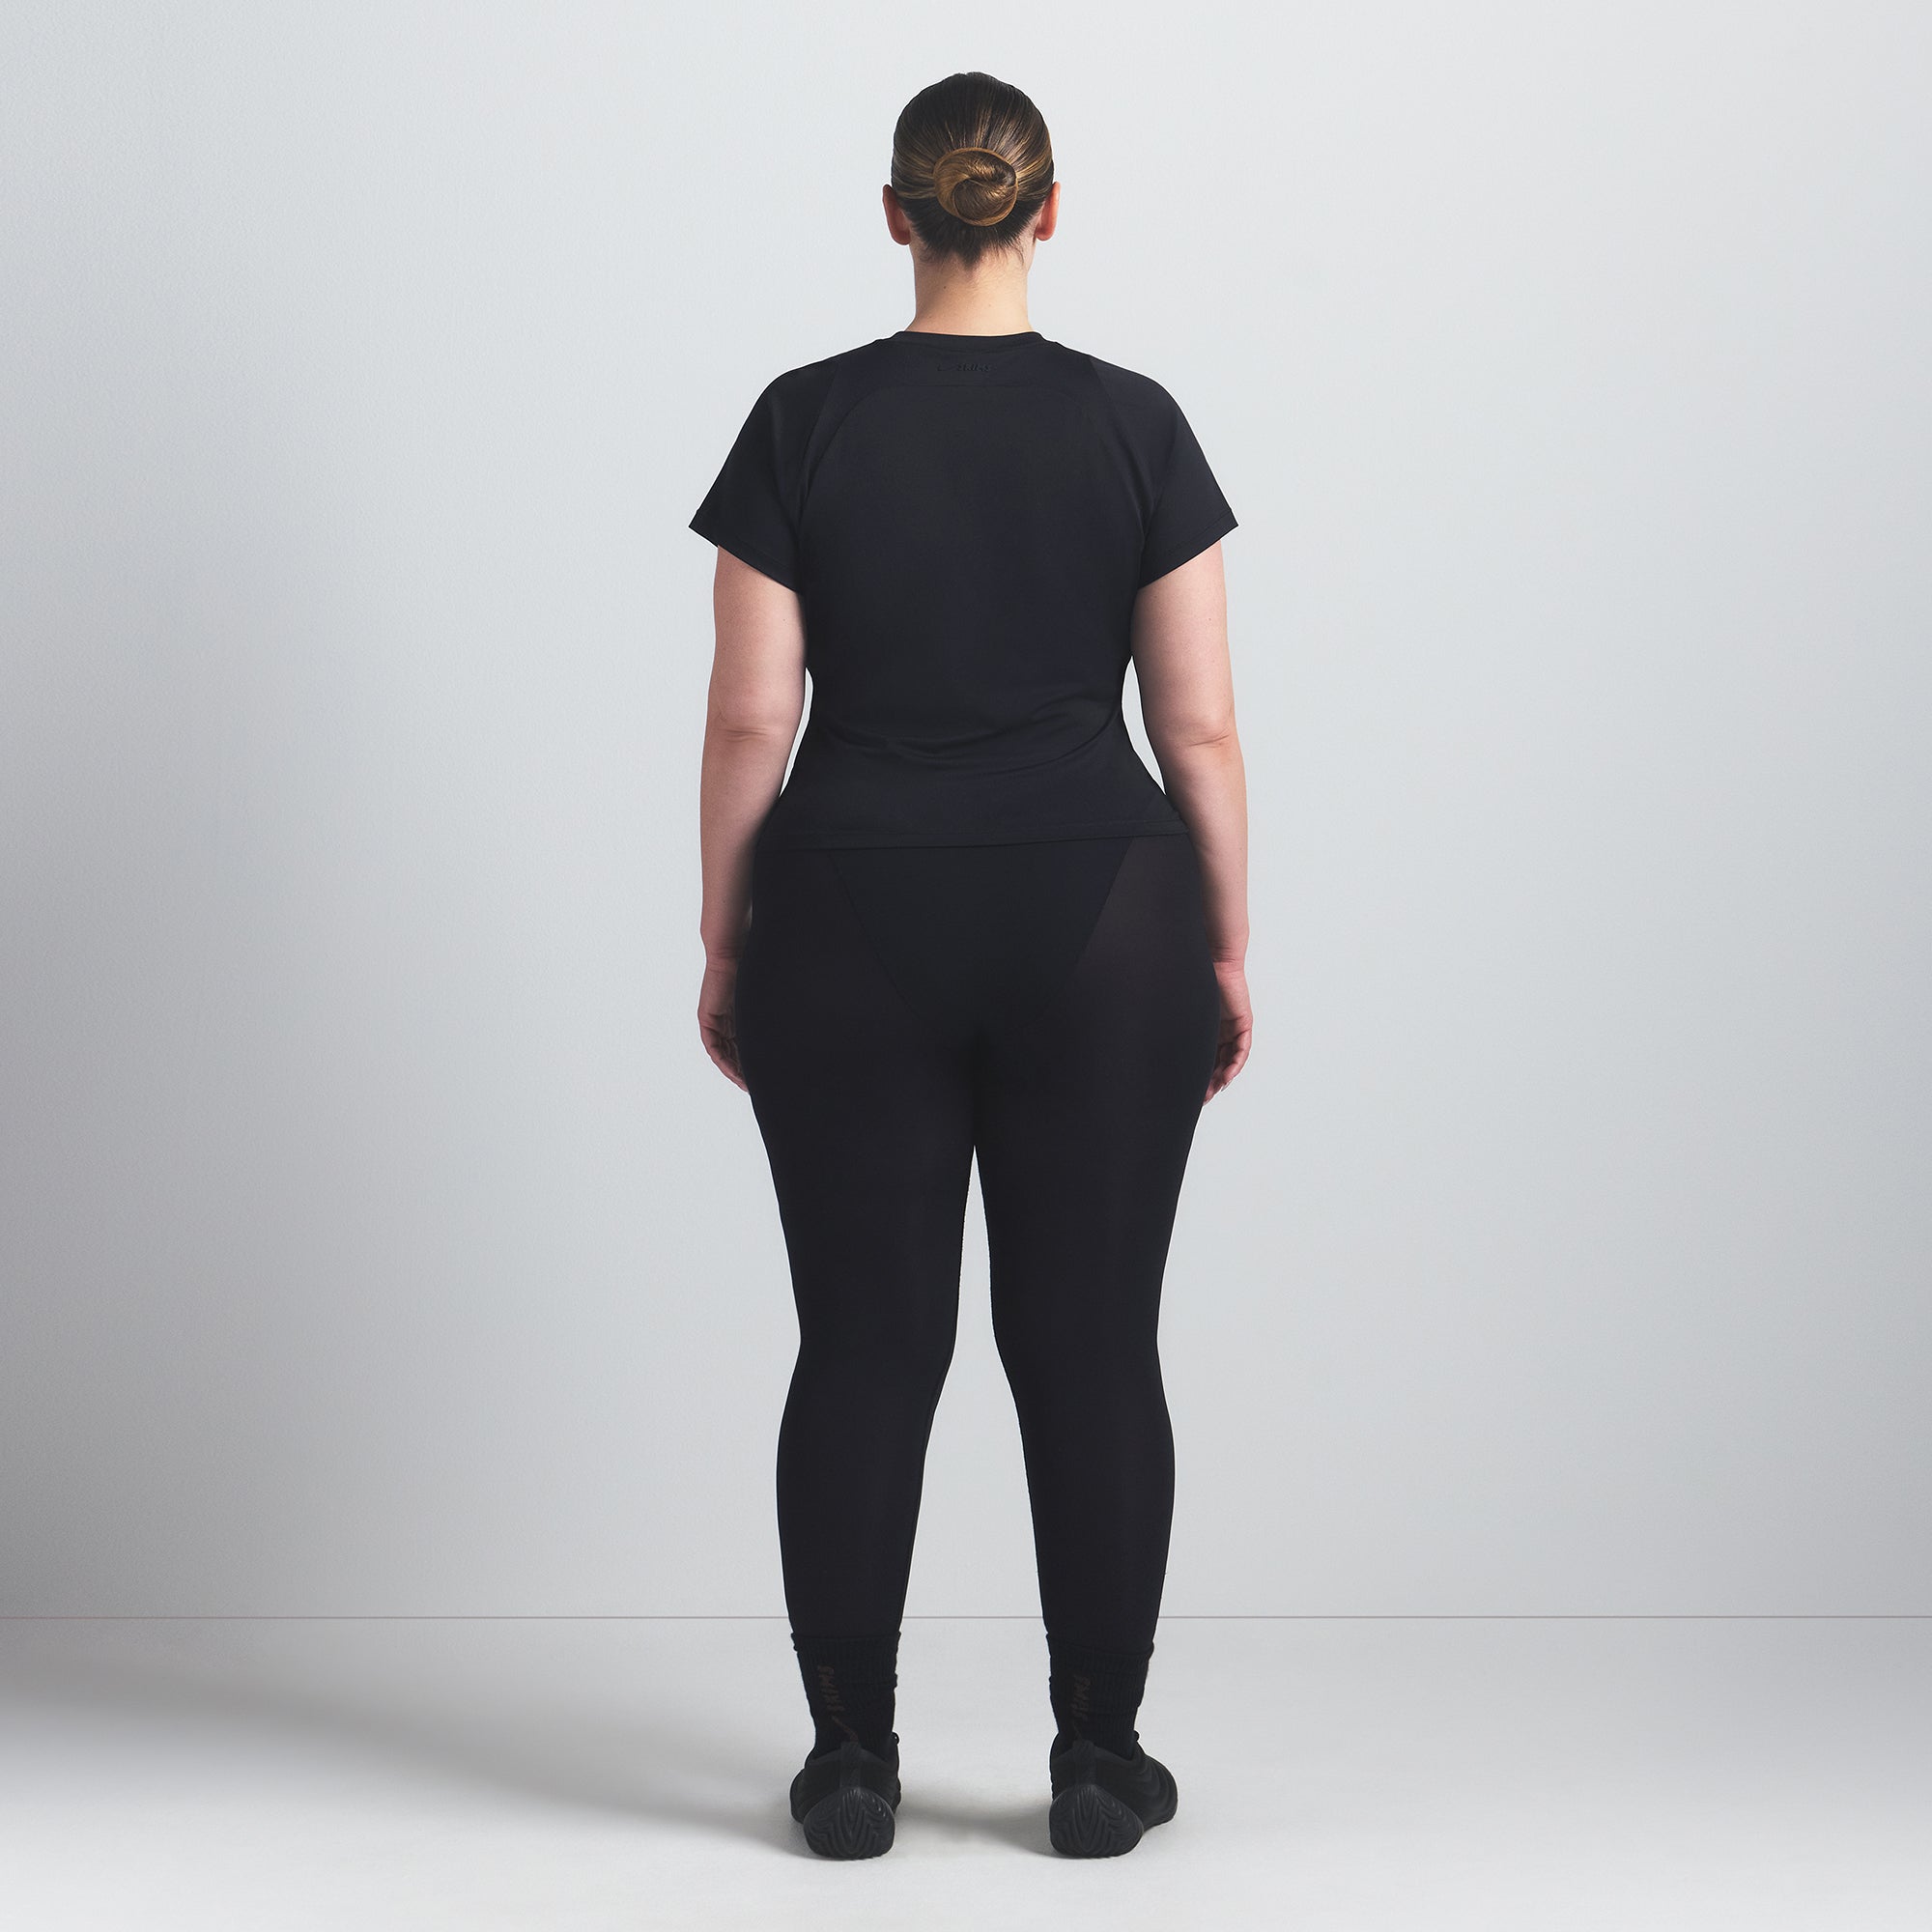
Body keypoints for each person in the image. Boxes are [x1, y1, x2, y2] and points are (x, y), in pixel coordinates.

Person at [689, 70, 1252, 1861]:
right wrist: (1227, 941)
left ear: (896, 215)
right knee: (1090, 1345)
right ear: (1049, 209)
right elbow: (1200, 726)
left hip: (845, 915)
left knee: (864, 1346)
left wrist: (725, 933)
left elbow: (751, 717)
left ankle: (852, 1766)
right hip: (1104, 913)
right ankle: (1098, 1760)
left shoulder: (803, 421)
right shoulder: (1135, 425)